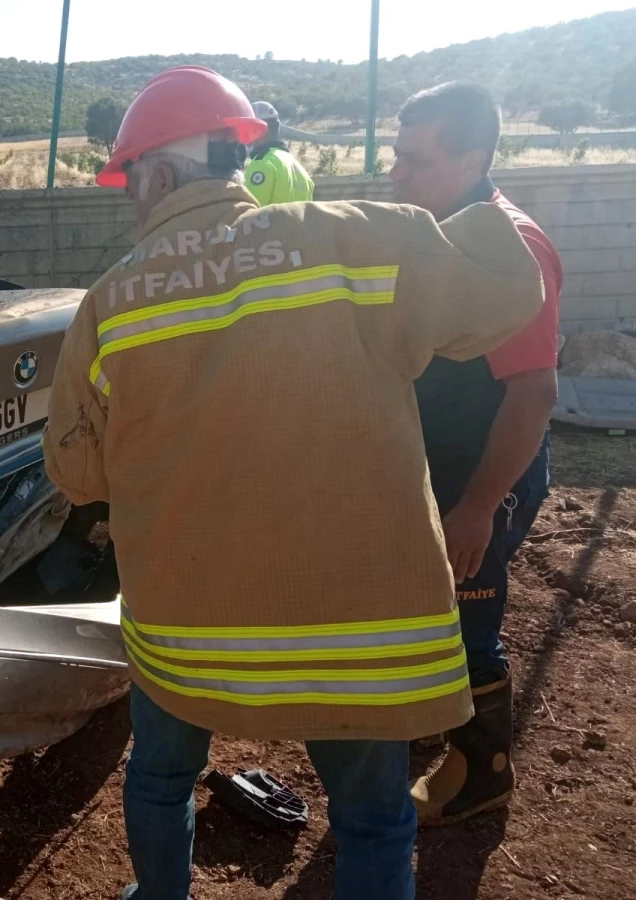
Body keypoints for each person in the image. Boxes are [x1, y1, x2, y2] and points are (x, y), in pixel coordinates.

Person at [42, 65, 545, 900]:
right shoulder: (358, 238)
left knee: (161, 779)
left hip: (188, 630)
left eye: (132, 181)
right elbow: (508, 288)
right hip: (356, 632)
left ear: (160, 175)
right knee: (373, 820)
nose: (133, 201)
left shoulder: (109, 303)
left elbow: (77, 470)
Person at [391, 82, 563, 825]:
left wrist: (477, 508)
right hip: (438, 466)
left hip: (482, 476)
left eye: (415, 160)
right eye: (395, 155)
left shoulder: (511, 249)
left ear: (471, 159)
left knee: (466, 620)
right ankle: (429, 715)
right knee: (422, 605)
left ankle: (483, 766)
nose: (395, 173)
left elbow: (533, 395)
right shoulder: (438, 228)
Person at [243, 100, 314, 205]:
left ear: (260, 129)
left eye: (249, 129)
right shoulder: (302, 171)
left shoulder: (263, 162)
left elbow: (249, 212)